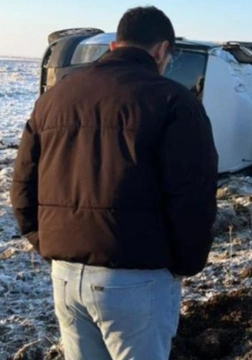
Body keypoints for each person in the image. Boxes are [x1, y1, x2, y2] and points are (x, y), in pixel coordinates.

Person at [10, 6, 218, 359]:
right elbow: (192, 197)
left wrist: (46, 242)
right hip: (137, 277)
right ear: (162, 50)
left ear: (113, 46)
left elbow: (22, 185)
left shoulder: (55, 97)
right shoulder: (174, 101)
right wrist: (184, 265)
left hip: (65, 274)